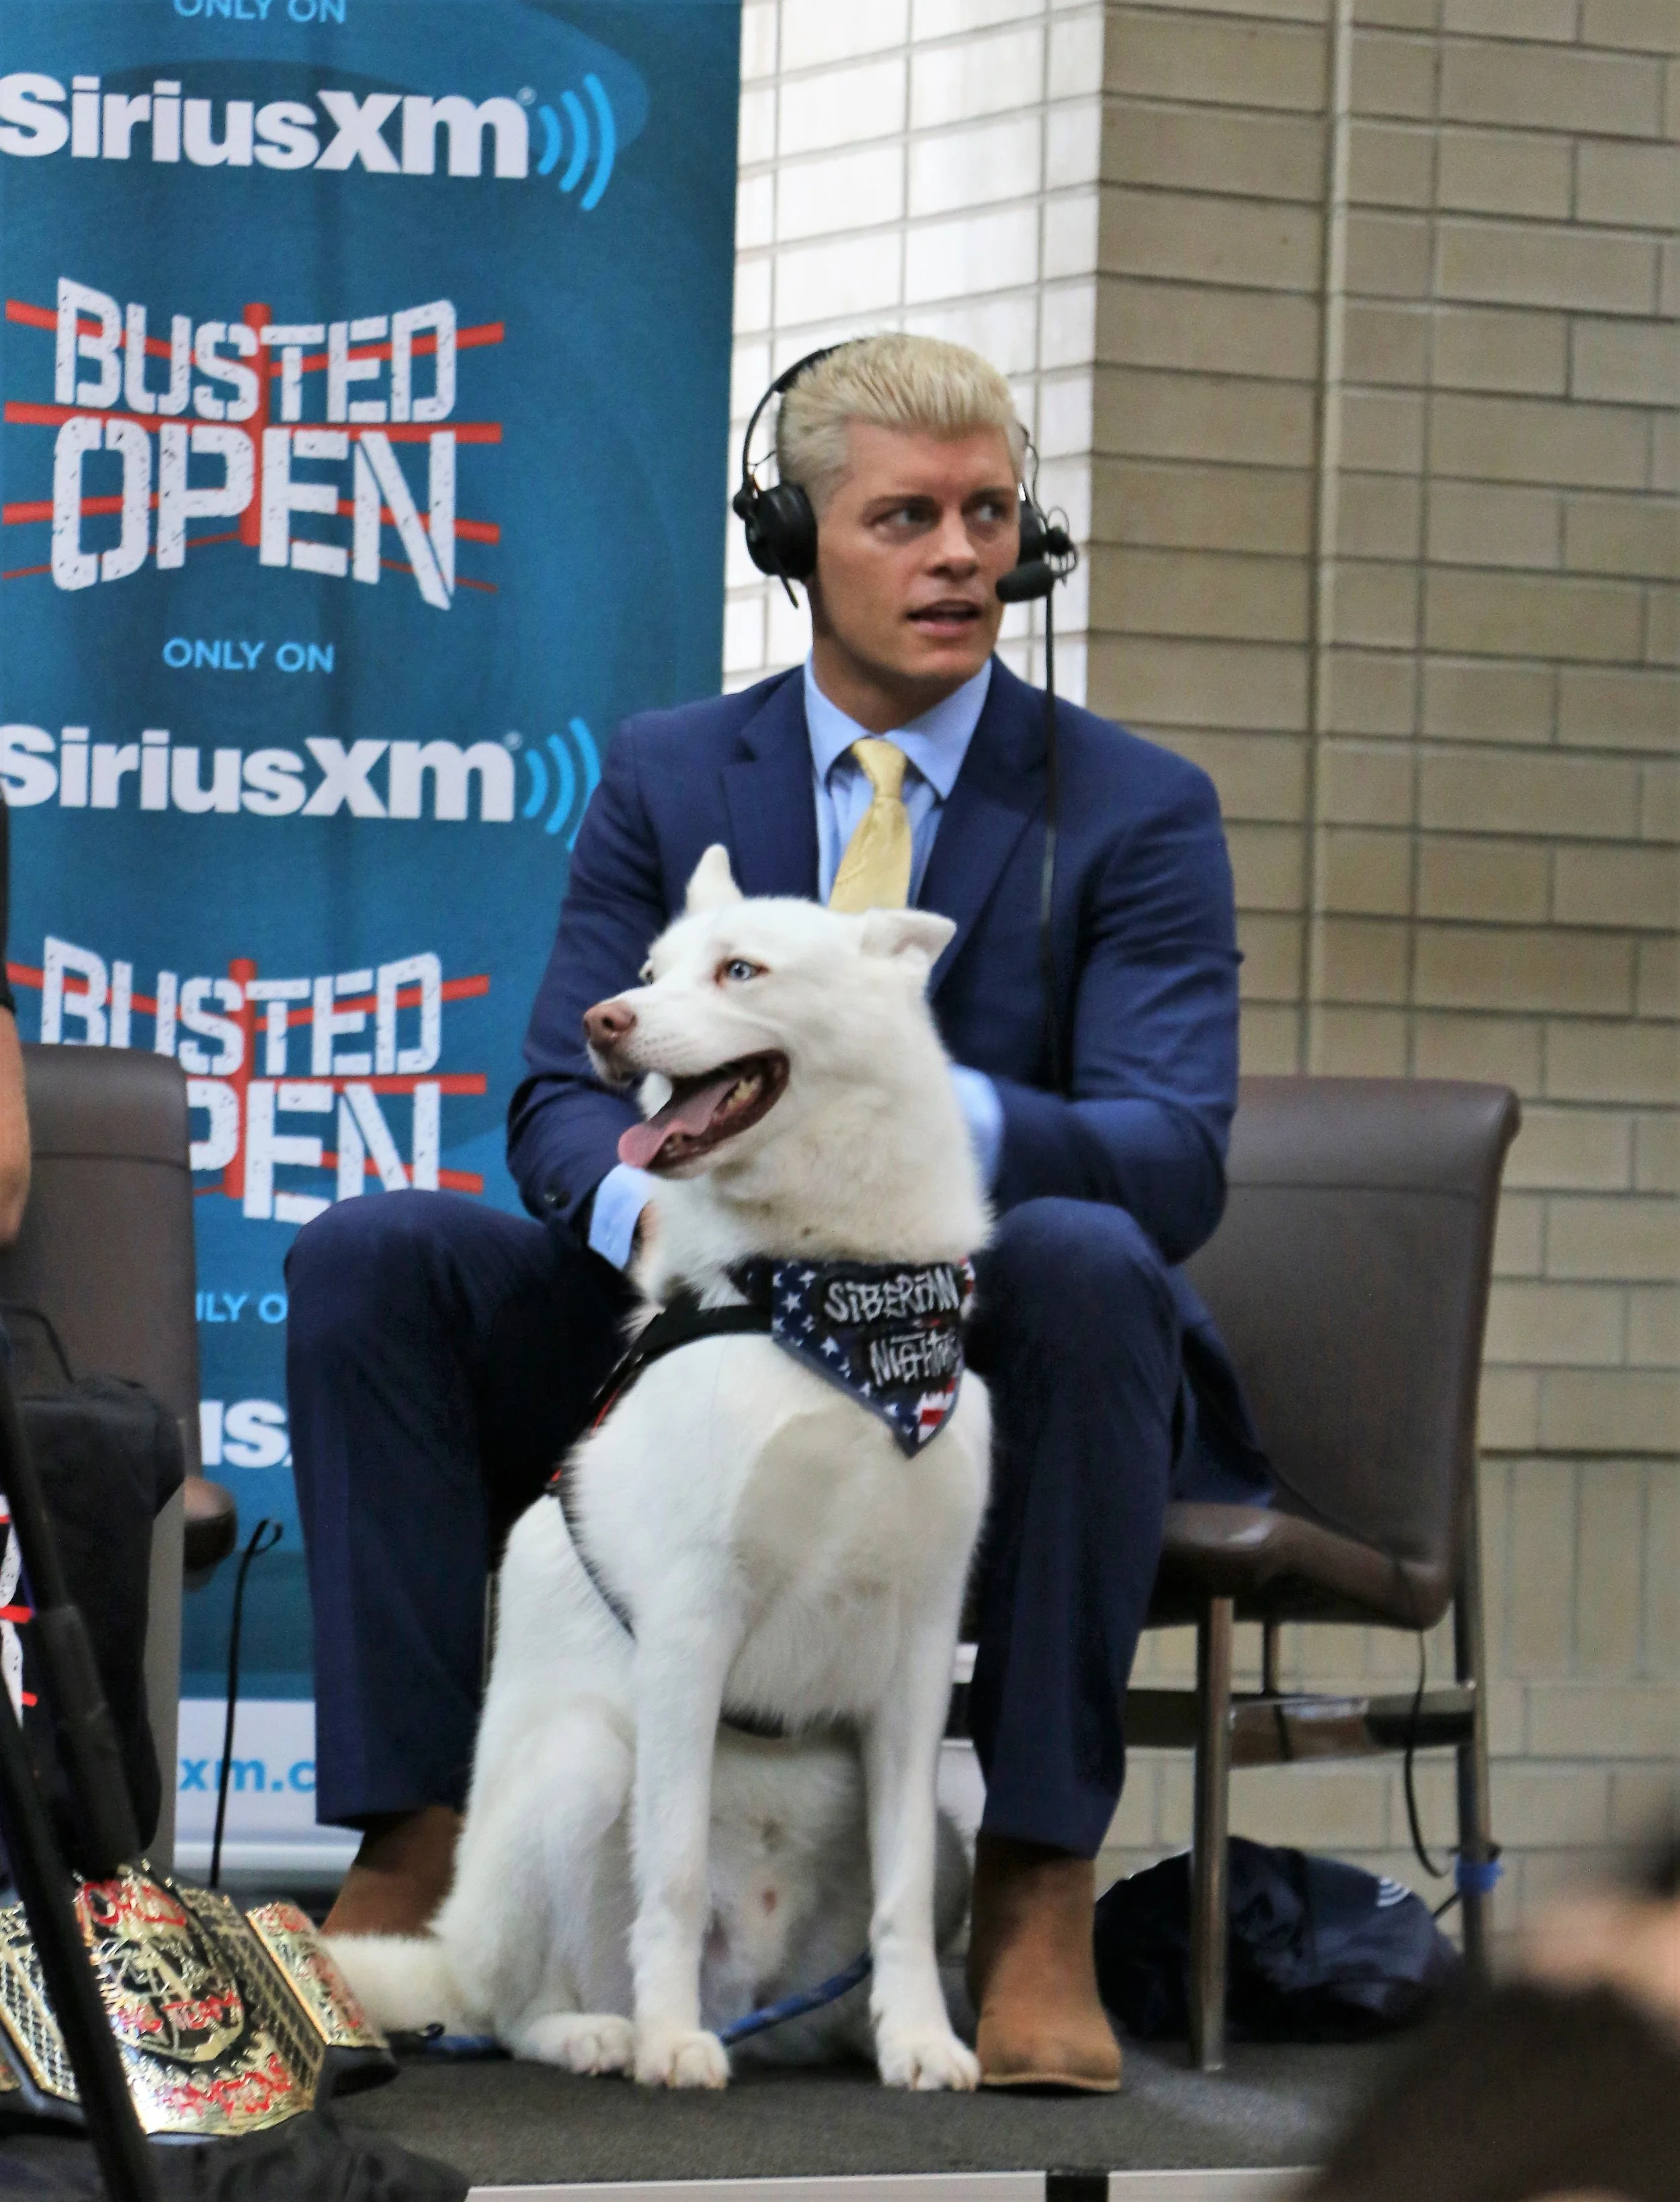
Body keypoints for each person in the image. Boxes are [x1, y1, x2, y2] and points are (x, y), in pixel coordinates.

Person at [286, 334, 1269, 2092]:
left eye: (989, 517)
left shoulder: (1130, 808)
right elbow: (557, 1098)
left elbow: (1170, 1148)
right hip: (697, 1347)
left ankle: (1036, 1878)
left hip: (977, 1350)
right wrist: (657, 1224)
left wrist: (904, 1113)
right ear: (794, 538)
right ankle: (419, 1838)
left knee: (1093, 1250)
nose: (960, 554)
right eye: (904, 517)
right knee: (380, 1253)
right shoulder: (672, 773)